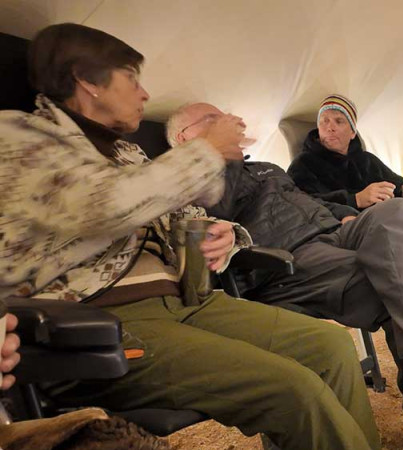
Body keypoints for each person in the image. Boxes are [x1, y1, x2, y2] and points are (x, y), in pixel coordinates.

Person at [0, 23, 383, 450]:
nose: (145, 94)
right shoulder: (19, 136)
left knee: (331, 346)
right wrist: (205, 151)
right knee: (295, 388)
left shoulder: (127, 153)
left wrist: (227, 235)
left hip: (187, 299)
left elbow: (188, 216)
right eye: (132, 79)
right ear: (87, 80)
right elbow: (102, 205)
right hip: (103, 320)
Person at [167, 102, 403, 449]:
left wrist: (343, 213)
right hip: (289, 259)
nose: (226, 124)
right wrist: (217, 154)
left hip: (334, 233)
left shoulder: (267, 168)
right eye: (212, 121)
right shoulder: (181, 177)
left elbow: (308, 202)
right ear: (183, 137)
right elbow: (207, 216)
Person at [287, 94, 403, 210]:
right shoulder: (303, 163)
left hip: (384, 215)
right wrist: (355, 200)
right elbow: (300, 204)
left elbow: (399, 186)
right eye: (325, 121)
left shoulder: (367, 161)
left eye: (339, 121)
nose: (330, 128)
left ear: (353, 132)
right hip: (340, 222)